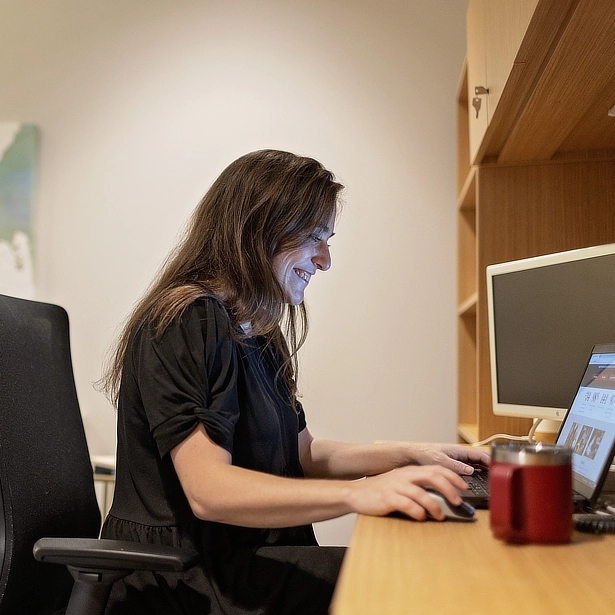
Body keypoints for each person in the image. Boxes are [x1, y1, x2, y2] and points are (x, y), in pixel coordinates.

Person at [99, 149, 489, 615]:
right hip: (181, 577)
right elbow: (208, 490)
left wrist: (413, 453)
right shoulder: (188, 319)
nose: (324, 260)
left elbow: (302, 455)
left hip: (237, 559)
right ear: (257, 230)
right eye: (313, 238)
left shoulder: (254, 327)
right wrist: (358, 494)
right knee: (413, 581)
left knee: (417, 566)